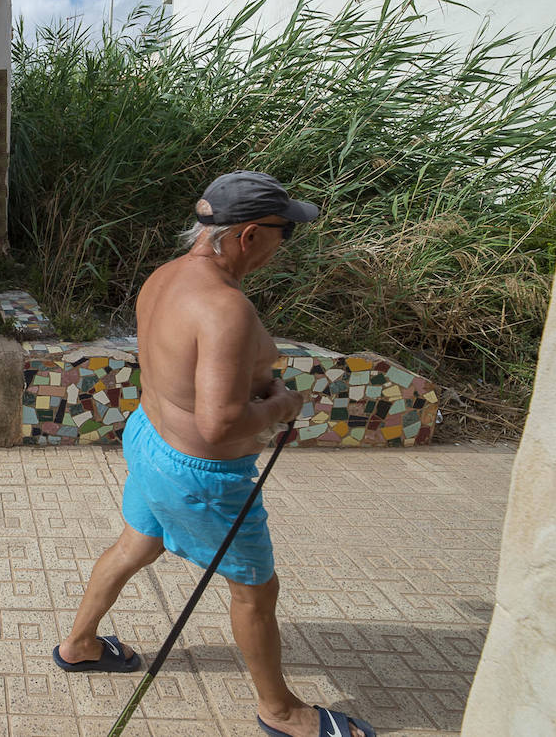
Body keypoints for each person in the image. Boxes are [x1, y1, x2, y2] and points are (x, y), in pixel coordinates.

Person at [52, 172, 374, 737]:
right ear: (249, 235)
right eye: (284, 233)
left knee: (134, 545)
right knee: (255, 590)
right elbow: (220, 423)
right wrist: (282, 405)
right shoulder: (225, 308)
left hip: (150, 441)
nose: (284, 245)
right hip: (199, 475)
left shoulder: (165, 276)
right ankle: (281, 712)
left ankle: (79, 644)